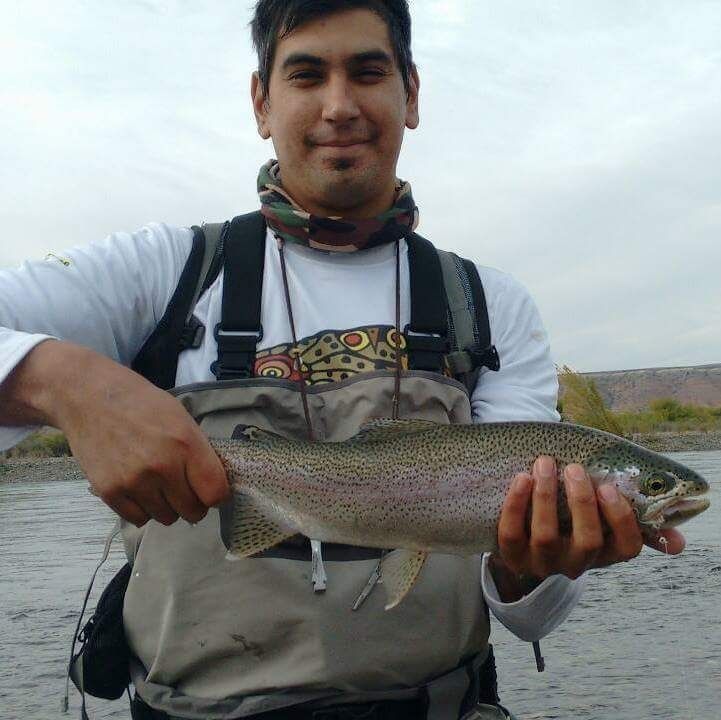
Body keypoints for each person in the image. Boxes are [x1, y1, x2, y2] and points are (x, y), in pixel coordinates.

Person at [0, 2, 684, 719]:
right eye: (305, 74)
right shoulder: (162, 273)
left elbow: (529, 619)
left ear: (409, 94)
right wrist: (62, 382)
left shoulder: (488, 304)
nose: (338, 105)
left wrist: (529, 567)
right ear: (262, 103)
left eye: (366, 72)